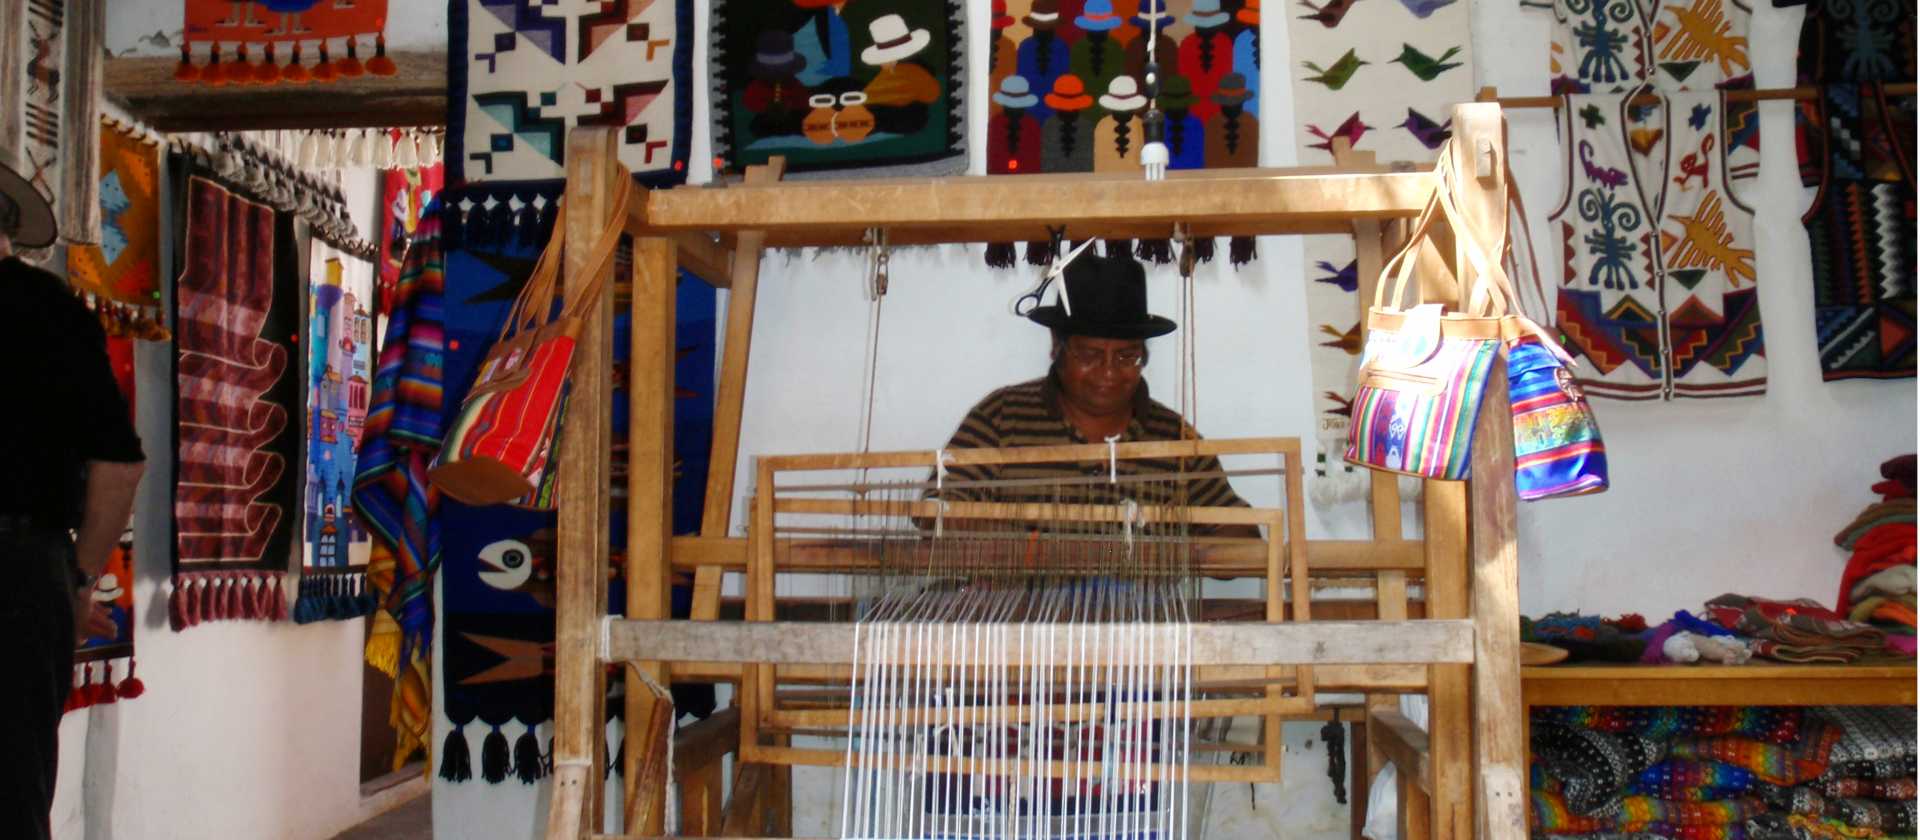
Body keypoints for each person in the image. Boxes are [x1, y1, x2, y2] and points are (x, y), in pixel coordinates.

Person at [0, 162, 144, 840]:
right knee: (13, 777)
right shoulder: (54, 314)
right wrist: (83, 577)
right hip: (19, 572)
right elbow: (117, 464)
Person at [931, 252, 1253, 535]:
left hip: (1135, 606)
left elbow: (1235, 530)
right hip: (1014, 604)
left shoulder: (1176, 439)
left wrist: (1244, 541)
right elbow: (936, 511)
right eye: (1089, 355)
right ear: (1056, 346)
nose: (1109, 372)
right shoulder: (1001, 418)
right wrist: (1023, 545)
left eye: (1127, 357)